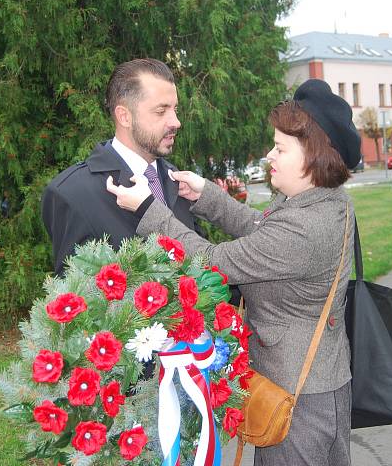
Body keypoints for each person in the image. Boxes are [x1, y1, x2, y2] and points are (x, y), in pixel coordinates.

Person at [107, 79, 361, 466]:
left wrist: (147, 210)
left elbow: (213, 260)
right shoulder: (321, 203)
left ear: (314, 156)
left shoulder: (306, 227)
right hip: (316, 385)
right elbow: (264, 231)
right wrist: (207, 195)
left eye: (280, 148)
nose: (268, 155)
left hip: (299, 403)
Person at [41, 58, 198, 275]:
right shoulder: (72, 193)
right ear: (124, 116)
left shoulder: (180, 182)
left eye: (175, 109)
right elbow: (75, 296)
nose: (176, 121)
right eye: (161, 111)